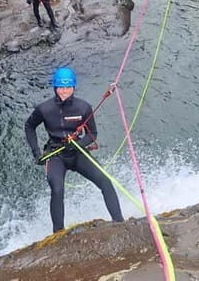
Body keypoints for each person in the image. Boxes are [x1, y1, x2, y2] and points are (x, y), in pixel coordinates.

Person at [24, 67, 125, 232]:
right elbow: (29, 126)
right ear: (55, 87)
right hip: (56, 154)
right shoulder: (44, 109)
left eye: (68, 87)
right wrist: (36, 152)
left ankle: (119, 222)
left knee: (105, 181)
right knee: (57, 189)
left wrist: (79, 144)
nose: (64, 91)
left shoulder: (83, 107)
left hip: (77, 151)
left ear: (74, 87)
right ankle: (58, 233)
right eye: (61, 87)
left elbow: (92, 134)